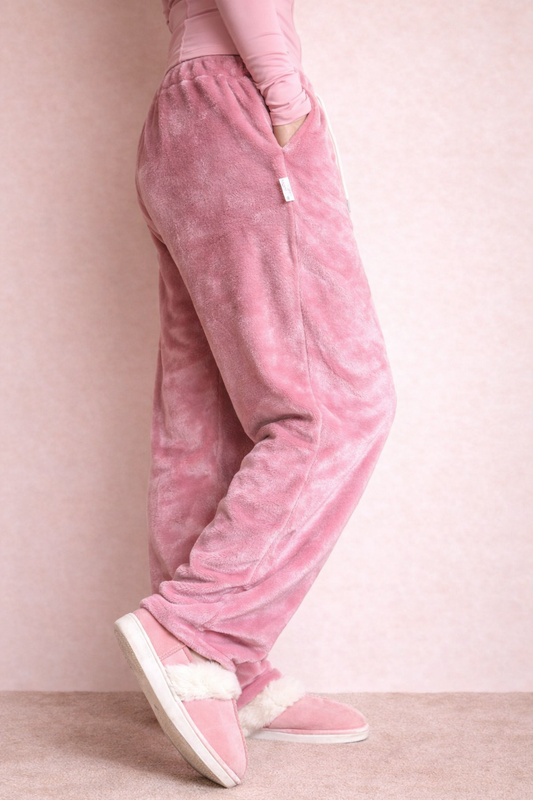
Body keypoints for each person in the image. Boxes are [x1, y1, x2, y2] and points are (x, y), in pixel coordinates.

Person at [114, 0, 397, 788]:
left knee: (208, 422)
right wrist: (285, 98)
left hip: (180, 120)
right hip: (239, 102)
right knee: (335, 404)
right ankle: (195, 633)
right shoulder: (261, 94)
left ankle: (230, 674)